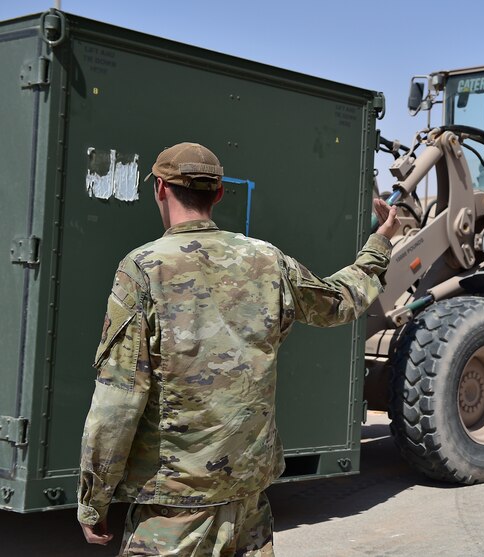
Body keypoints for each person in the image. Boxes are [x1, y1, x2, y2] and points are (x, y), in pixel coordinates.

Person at [77, 142, 399, 556]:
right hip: (248, 495)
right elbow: (338, 301)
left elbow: (118, 401)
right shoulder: (267, 259)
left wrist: (94, 499)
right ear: (218, 193)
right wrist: (380, 242)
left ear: (159, 188)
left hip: (175, 506)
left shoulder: (142, 269)